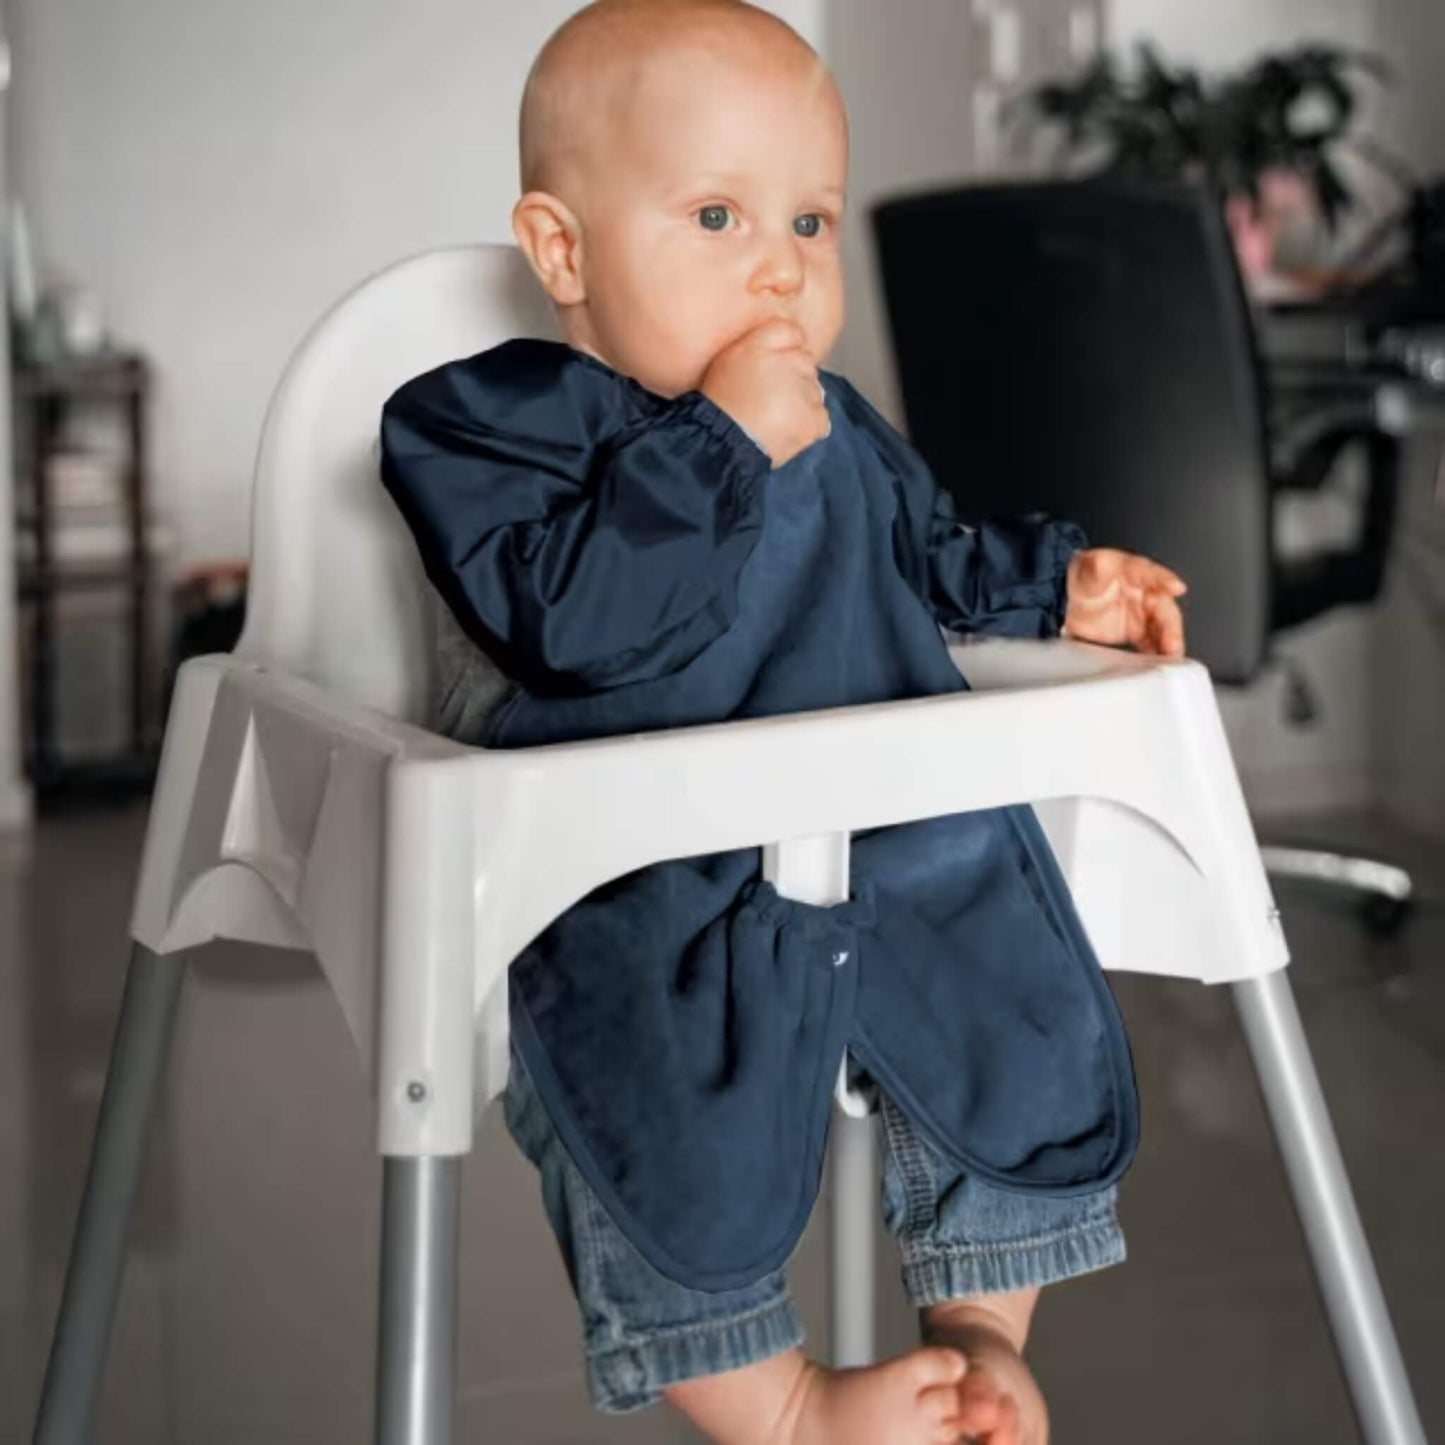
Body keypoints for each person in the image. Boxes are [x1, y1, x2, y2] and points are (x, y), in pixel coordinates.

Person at [380, 3, 1187, 1441]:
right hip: (638, 881)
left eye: (809, 221)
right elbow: (567, 620)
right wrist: (722, 448)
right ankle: (788, 1411)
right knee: (653, 1121)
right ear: (561, 251)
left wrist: (1057, 580)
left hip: (886, 839)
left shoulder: (832, 414)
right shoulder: (485, 424)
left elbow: (929, 552)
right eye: (714, 213)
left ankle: (982, 1331)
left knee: (1004, 1005)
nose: (778, 263)